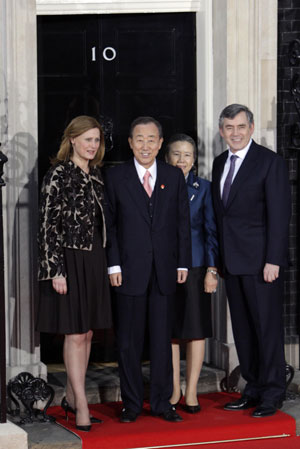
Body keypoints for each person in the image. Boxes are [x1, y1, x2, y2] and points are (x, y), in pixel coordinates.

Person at [105, 117, 192, 423]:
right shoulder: (115, 177)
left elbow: (183, 222)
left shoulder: (173, 175)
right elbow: (111, 227)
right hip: (128, 270)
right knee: (128, 342)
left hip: (165, 270)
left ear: (160, 143)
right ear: (130, 143)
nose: (145, 145)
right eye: (139, 139)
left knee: (161, 340)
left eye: (151, 139)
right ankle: (130, 404)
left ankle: (161, 403)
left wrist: (183, 262)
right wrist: (113, 264)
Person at [211, 104, 291, 418]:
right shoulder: (219, 163)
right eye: (229, 127)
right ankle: (253, 388)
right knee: (243, 330)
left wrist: (274, 259)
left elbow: (279, 215)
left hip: (262, 265)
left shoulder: (270, 162)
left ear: (252, 128)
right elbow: (221, 216)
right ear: (221, 131)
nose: (235, 133)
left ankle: (273, 392)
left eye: (241, 126)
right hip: (232, 262)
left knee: (267, 329)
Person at [36, 115, 112, 432]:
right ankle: (81, 403)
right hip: (68, 260)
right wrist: (56, 270)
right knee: (75, 333)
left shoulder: (97, 176)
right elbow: (46, 227)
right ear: (72, 140)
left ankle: (70, 395)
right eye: (87, 139)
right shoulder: (58, 174)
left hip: (94, 259)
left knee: (89, 332)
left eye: (96, 140)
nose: (92, 145)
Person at [165, 134, 218, 413]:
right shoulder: (157, 186)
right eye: (176, 154)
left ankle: (192, 390)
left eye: (187, 155)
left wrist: (212, 270)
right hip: (165, 268)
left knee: (195, 331)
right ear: (167, 157)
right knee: (171, 331)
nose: (181, 160)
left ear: (194, 159)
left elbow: (211, 231)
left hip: (197, 267)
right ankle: (174, 388)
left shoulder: (205, 188)